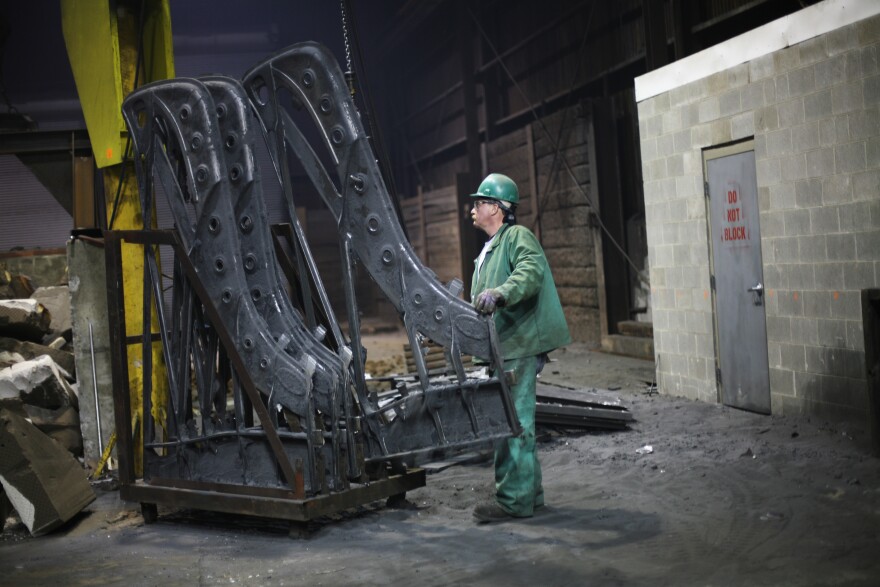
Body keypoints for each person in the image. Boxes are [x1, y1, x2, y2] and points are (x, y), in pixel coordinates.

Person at [468, 172, 571, 523]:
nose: (474, 208)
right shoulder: (489, 249)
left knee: (513, 423)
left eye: (480, 202)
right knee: (516, 420)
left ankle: (514, 503)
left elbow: (530, 272)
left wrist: (501, 293)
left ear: (497, 209)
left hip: (518, 346)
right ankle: (531, 496)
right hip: (504, 347)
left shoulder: (517, 237)